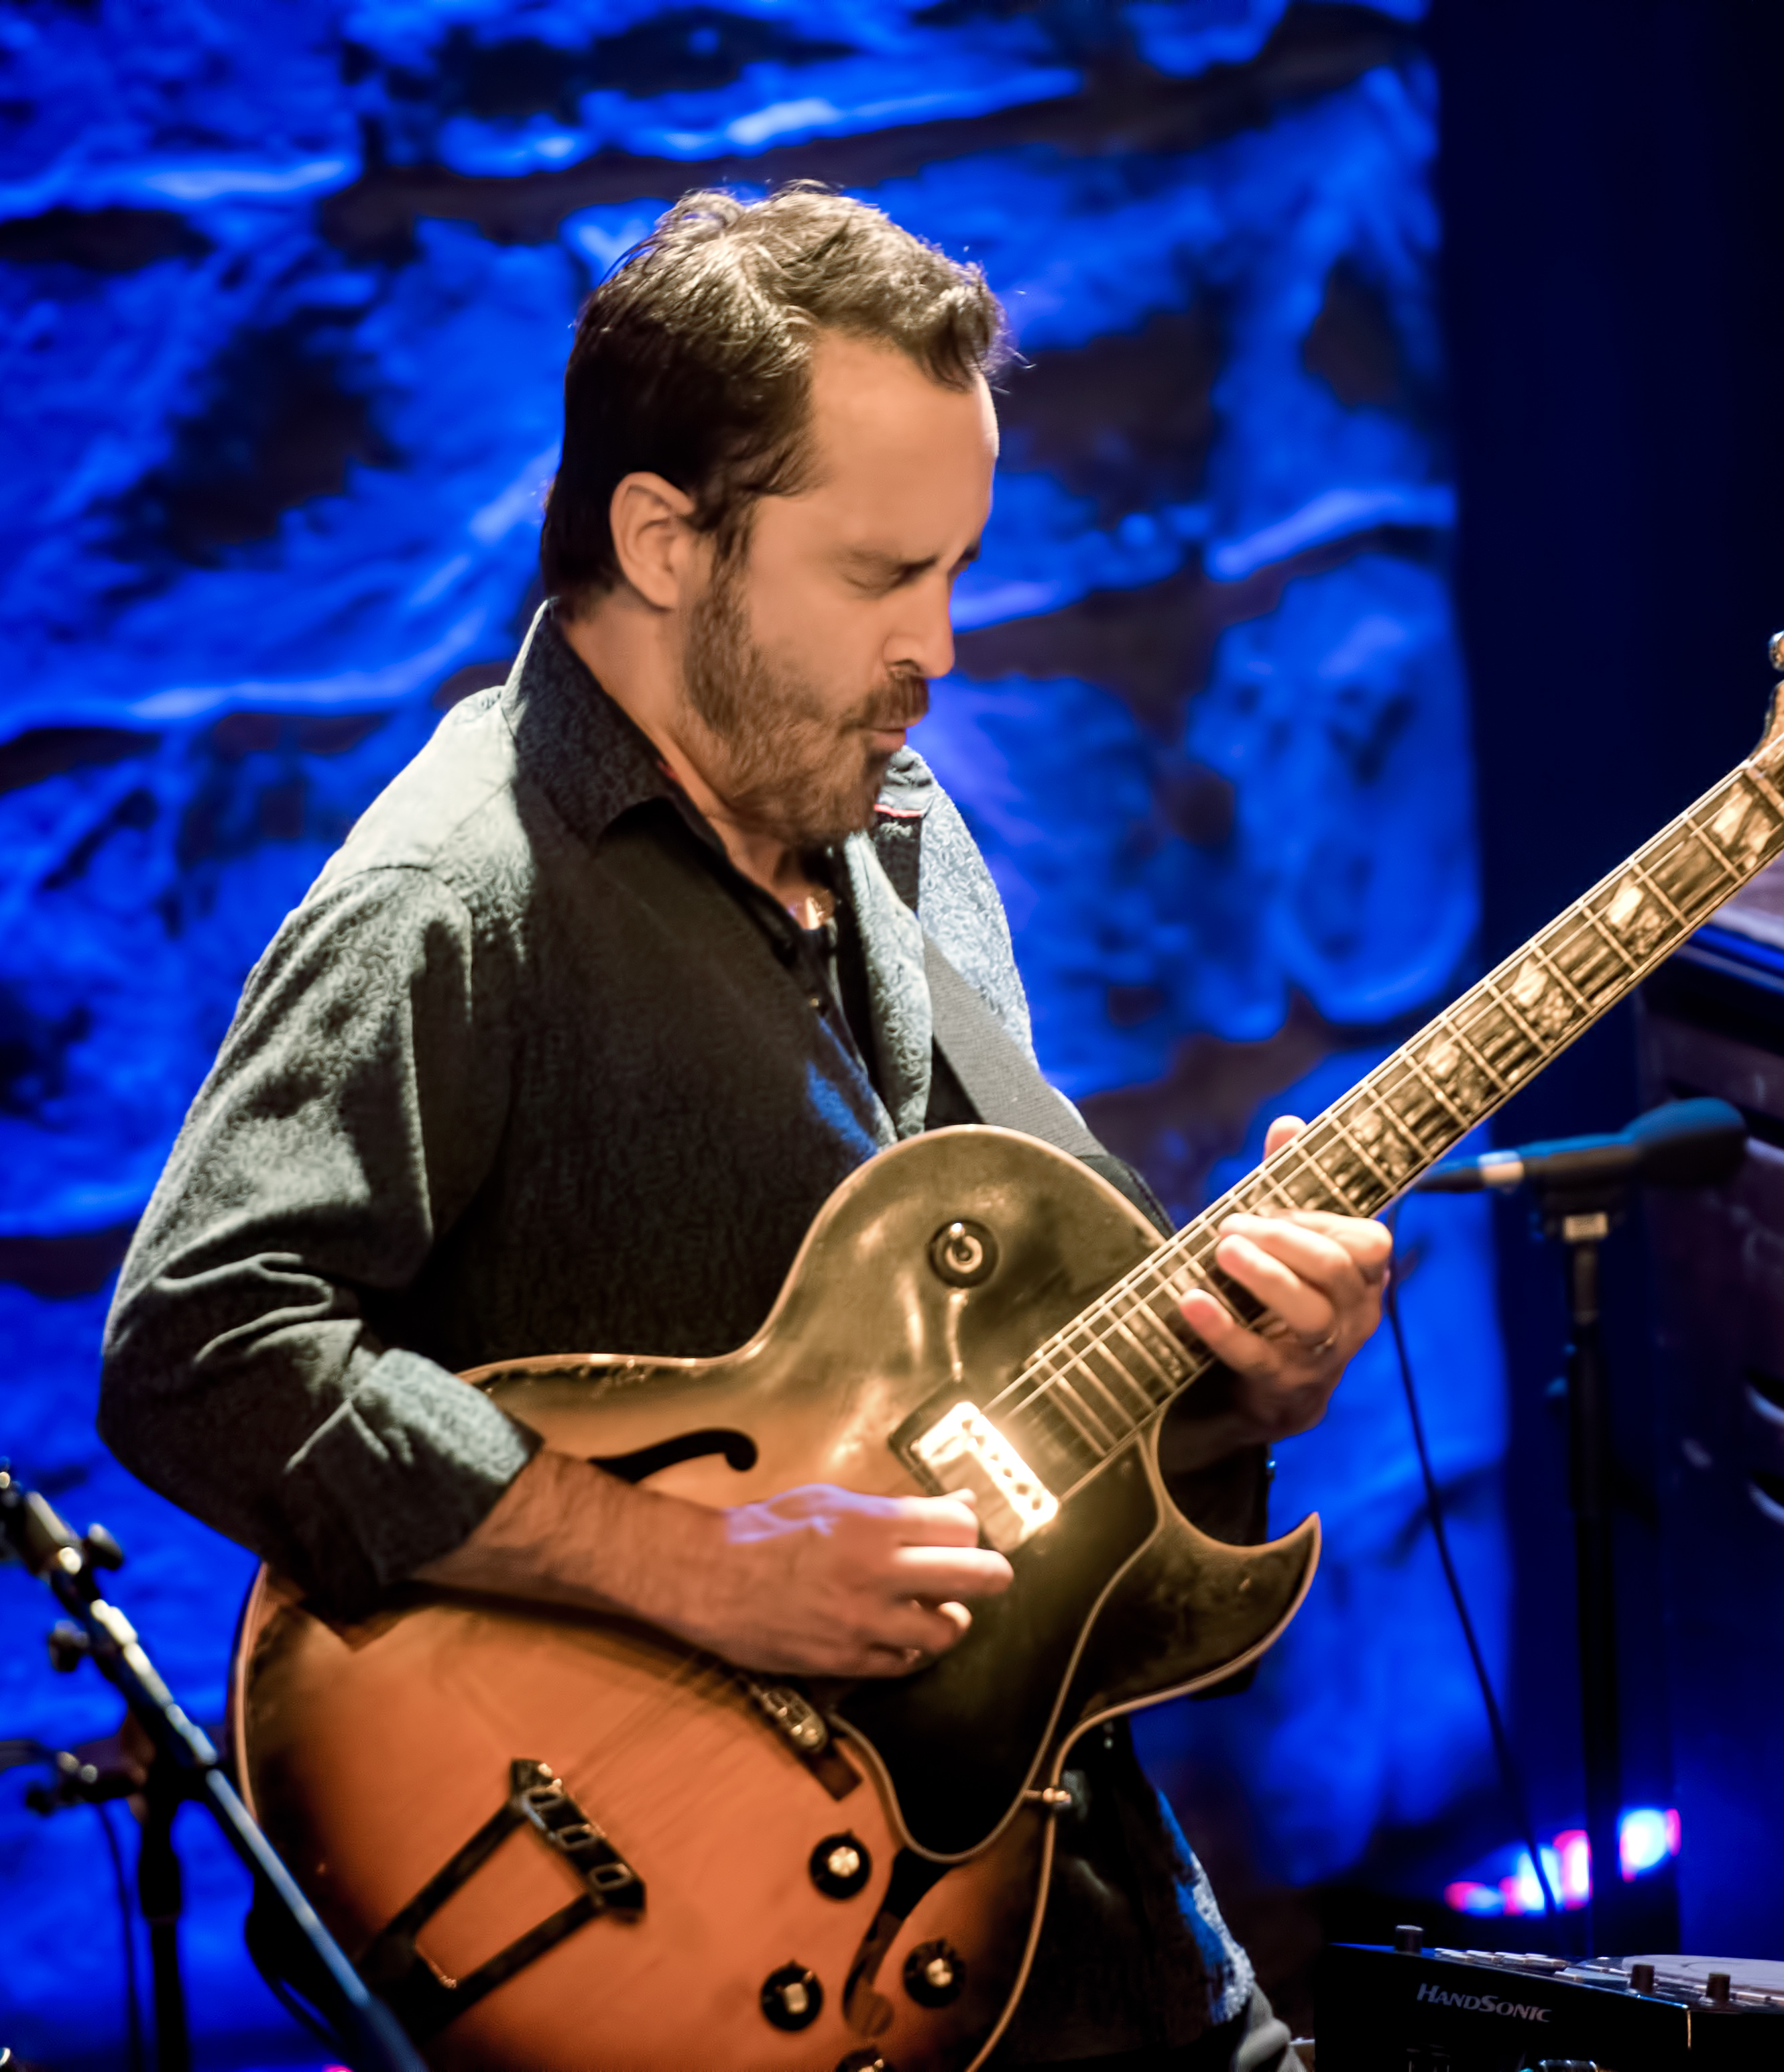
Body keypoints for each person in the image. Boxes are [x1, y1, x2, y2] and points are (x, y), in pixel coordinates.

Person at [99, 182, 1391, 2071]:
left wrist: (1249, 1381)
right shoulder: (454, 895)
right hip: (713, 1959)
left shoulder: (915, 843)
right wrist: (712, 1568)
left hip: (1085, 1923)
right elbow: (199, 1341)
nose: (943, 643)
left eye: (957, 569)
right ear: (665, 538)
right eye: (883, 576)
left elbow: (1030, 1423)